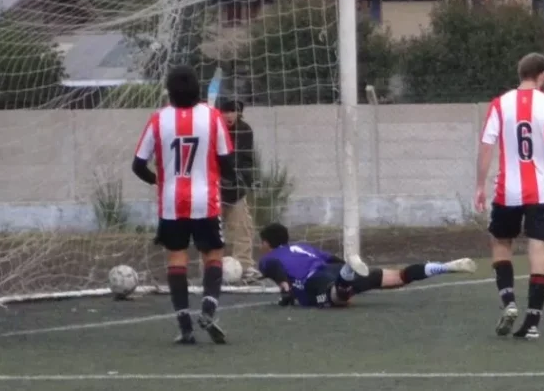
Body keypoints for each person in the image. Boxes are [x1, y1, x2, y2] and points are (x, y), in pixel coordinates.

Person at [132, 65, 237, 345]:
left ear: (169, 91)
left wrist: (159, 181)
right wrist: (228, 179)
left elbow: (137, 165)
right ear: (197, 89)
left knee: (176, 258)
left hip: (171, 202)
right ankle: (208, 309)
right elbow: (227, 161)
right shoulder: (213, 117)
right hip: (205, 200)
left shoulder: (158, 120)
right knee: (213, 254)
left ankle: (185, 327)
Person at [475, 52, 544, 340]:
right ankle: (532, 322)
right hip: (542, 192)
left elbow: (485, 147)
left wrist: (480, 186)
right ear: (542, 76)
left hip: (508, 191)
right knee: (538, 250)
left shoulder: (499, 105)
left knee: (500, 243)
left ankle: (508, 302)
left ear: (521, 75)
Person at [256, 223, 477, 308]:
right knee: (399, 277)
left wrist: (286, 291)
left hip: (314, 281)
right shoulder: (303, 247)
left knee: (339, 298)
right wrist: (348, 270)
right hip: (331, 268)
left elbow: (276, 269)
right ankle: (444, 267)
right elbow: (332, 259)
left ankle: (347, 276)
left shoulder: (268, 258)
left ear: (266, 243)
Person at [215, 97, 262, 282]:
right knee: (211, 231)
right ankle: (210, 268)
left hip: (236, 188)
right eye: (225, 111)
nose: (229, 115)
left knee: (243, 227)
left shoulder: (244, 130)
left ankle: (244, 266)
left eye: (233, 111)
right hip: (214, 189)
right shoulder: (211, 129)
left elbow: (246, 161)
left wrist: (247, 181)